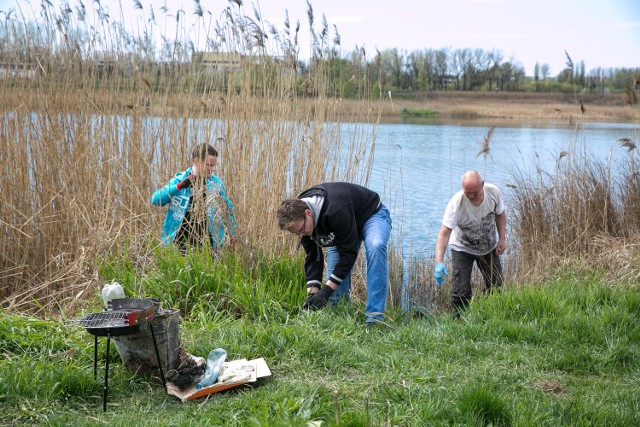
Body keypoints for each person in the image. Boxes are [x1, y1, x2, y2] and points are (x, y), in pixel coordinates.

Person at [277, 182, 392, 325]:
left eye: (300, 230)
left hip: (371, 216)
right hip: (343, 228)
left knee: (376, 246)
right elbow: (313, 257)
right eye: (296, 233)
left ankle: (374, 319)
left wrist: (325, 290)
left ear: (308, 213)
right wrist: (313, 295)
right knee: (335, 299)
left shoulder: (334, 209)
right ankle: (341, 322)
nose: (300, 236)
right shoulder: (300, 219)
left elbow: (348, 254)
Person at [433, 170, 506, 315]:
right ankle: (459, 323)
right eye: (468, 193)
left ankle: (493, 316)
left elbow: (500, 215)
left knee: (496, 287)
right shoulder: (456, 203)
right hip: (462, 248)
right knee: (461, 292)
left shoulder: (493, 193)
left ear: (482, 185)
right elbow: (444, 234)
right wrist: (439, 262)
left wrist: (502, 239)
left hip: (488, 247)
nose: (471, 196)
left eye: (475, 192)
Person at [151, 143, 236, 253]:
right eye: (208, 165)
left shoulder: (216, 184)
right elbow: (156, 200)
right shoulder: (179, 181)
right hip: (177, 244)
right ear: (196, 161)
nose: (212, 169)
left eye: (213, 166)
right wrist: (179, 186)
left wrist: (233, 234)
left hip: (209, 246)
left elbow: (228, 209)